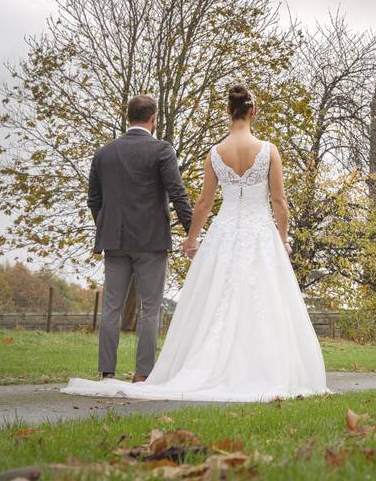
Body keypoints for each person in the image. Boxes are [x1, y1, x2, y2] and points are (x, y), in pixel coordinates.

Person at [63, 86, 328, 401]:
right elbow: (278, 201)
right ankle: (145, 373)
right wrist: (282, 239)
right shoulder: (266, 150)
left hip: (201, 234)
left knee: (118, 307)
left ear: (228, 112)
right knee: (163, 308)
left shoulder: (213, 153)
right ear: (252, 112)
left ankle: (107, 373)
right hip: (238, 235)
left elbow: (202, 202)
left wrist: (192, 239)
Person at [84, 95, 193, 383]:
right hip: (151, 241)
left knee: (111, 308)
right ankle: (142, 374)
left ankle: (107, 373)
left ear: (127, 116)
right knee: (150, 309)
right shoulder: (162, 150)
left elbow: (94, 200)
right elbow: (178, 193)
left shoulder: (103, 153)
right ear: (153, 118)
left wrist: (107, 226)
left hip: (114, 241)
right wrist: (192, 231)